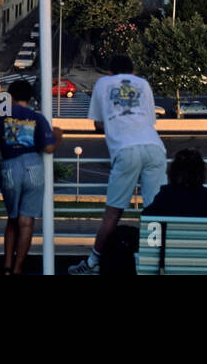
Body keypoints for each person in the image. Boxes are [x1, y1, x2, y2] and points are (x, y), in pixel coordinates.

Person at [69, 53, 166, 275]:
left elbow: (98, 124)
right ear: (132, 71)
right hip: (154, 147)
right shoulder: (142, 83)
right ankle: (154, 261)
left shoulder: (102, 83)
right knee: (154, 212)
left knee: (113, 212)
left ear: (110, 72)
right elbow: (149, 121)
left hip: (125, 149)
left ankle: (94, 262)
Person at [0, 79, 60, 275]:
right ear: (31, 97)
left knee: (12, 219)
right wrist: (59, 135)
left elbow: (0, 137)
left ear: (11, 97)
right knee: (27, 221)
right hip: (33, 165)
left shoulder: (3, 115)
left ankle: (6, 266)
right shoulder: (37, 117)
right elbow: (48, 147)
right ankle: (18, 268)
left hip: (10, 167)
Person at [143, 149, 207, 218]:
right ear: (201, 171)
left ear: (173, 171)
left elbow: (147, 216)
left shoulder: (165, 195)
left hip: (171, 234)